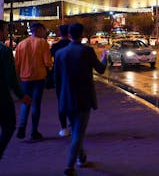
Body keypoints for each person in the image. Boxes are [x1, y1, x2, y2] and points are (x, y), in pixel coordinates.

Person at [54, 22, 107, 176]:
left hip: (66, 97)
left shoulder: (60, 53)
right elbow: (101, 69)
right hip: (83, 97)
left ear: (69, 35)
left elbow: (56, 78)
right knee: (79, 131)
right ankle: (70, 166)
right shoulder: (87, 51)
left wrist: (60, 98)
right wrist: (104, 57)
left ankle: (81, 156)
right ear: (82, 34)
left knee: (76, 129)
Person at [15, 22, 52, 140]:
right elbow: (47, 62)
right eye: (43, 30)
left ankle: (21, 127)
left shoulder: (21, 44)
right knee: (36, 104)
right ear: (39, 30)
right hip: (39, 78)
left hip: (25, 78)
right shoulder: (43, 43)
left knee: (26, 102)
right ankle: (34, 131)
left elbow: (17, 64)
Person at [0, 20, 32, 160]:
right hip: (2, 96)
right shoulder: (4, 50)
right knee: (9, 126)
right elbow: (11, 77)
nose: (7, 32)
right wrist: (21, 95)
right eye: (6, 29)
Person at [50, 24, 71, 137]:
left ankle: (64, 128)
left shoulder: (55, 47)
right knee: (73, 101)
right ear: (69, 33)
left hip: (59, 77)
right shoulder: (72, 45)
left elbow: (49, 59)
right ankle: (72, 124)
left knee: (61, 103)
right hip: (72, 77)